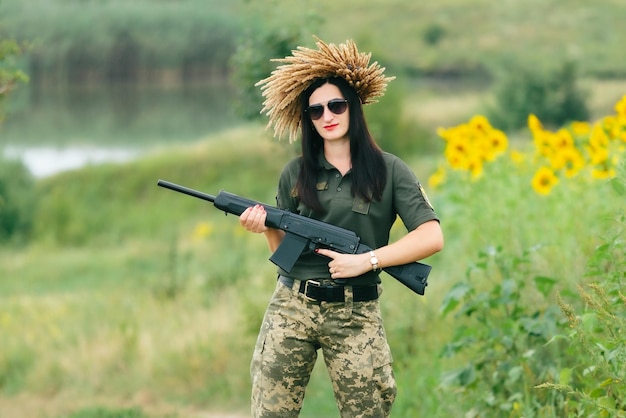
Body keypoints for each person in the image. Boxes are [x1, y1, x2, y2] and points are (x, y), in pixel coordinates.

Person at [239, 37, 444, 418]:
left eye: (336, 105)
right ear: (308, 120)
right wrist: (265, 226)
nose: (327, 116)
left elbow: (432, 236)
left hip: (355, 311)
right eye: (315, 111)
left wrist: (368, 261)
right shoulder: (295, 173)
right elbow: (285, 256)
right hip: (291, 306)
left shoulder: (389, 170)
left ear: (354, 108)